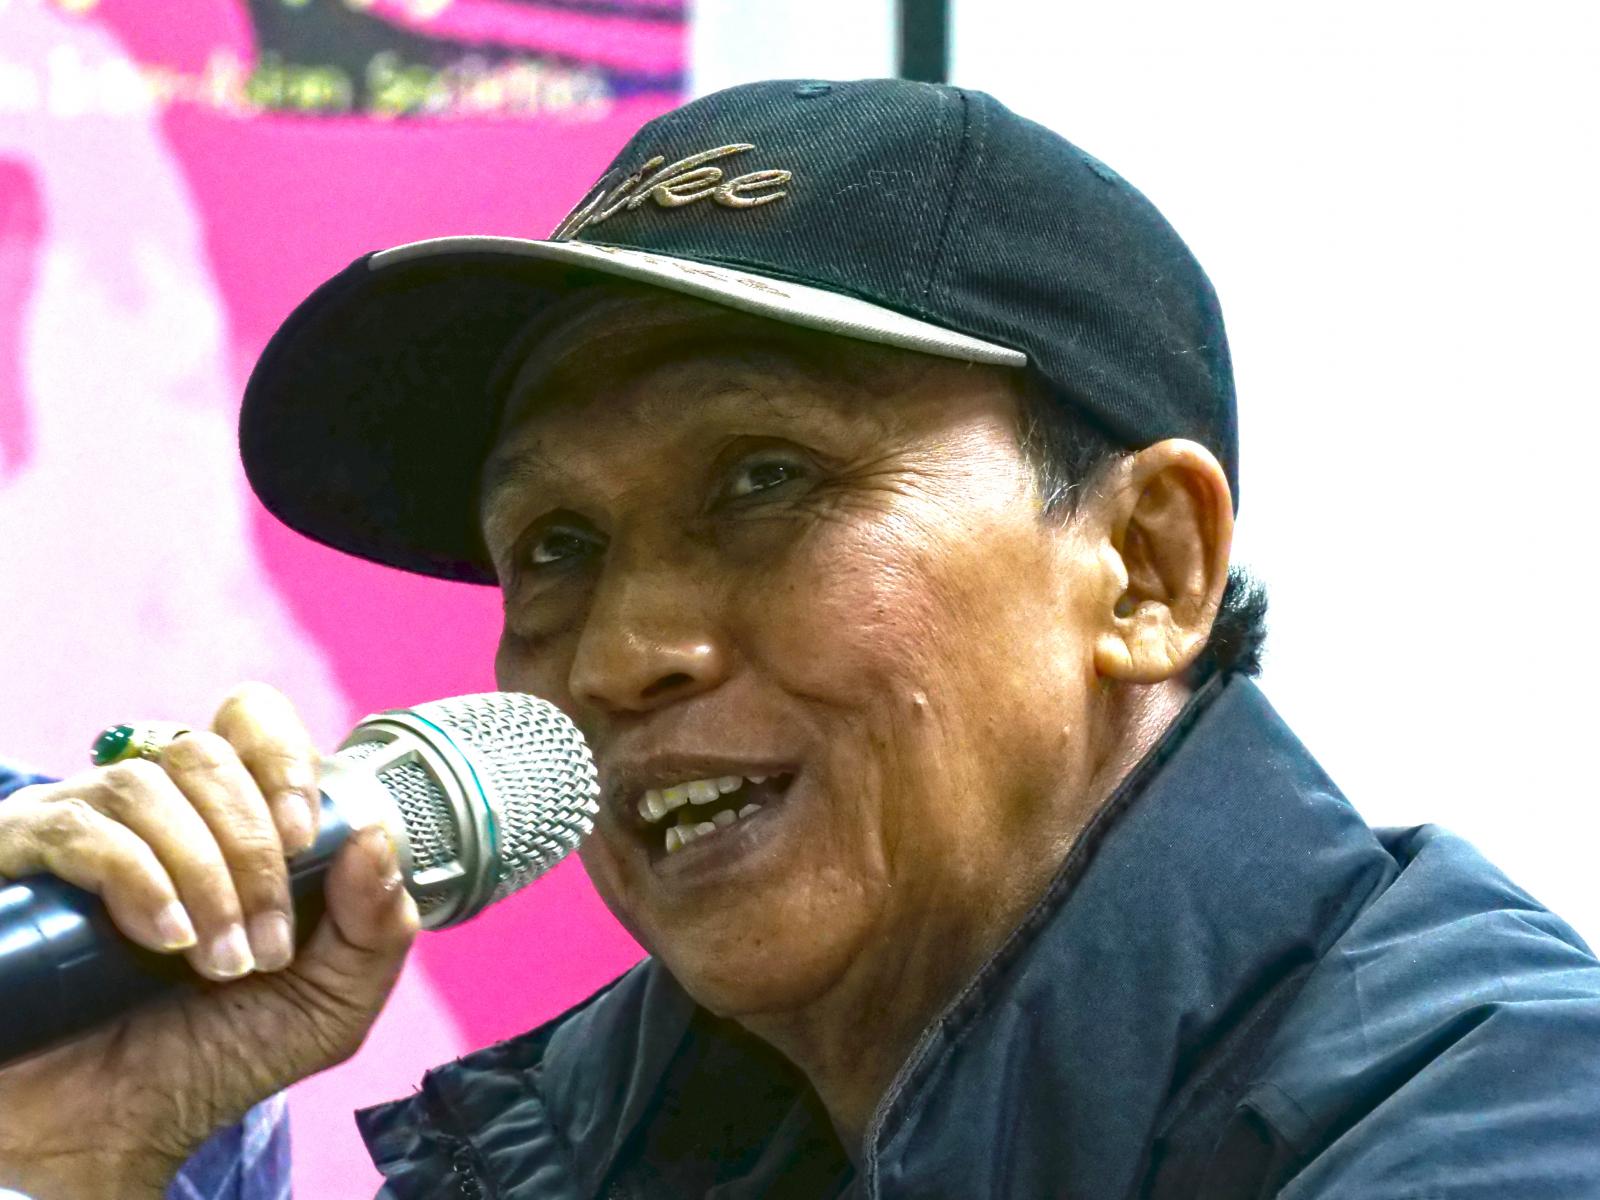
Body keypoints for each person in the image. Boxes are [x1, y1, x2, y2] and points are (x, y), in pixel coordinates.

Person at [2, 77, 1598, 1199]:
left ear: (1145, 568)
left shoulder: (1499, 1118)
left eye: (766, 479)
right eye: (554, 547)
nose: (621, 653)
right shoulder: (589, 1139)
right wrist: (89, 1158)